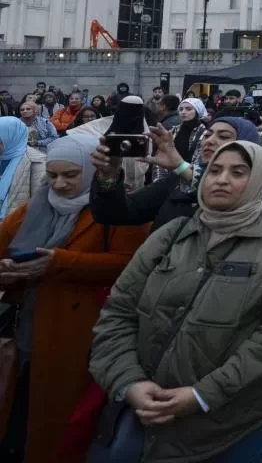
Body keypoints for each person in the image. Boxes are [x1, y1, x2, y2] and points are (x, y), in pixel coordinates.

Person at [89, 140, 262, 462]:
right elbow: (120, 312)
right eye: (214, 170)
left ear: (259, 181)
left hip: (233, 426)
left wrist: (202, 395)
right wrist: (129, 382)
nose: (221, 179)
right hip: (146, 414)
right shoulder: (172, 234)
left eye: (238, 172)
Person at [0, 136, 150, 462]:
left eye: (70, 175)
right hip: (31, 327)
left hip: (86, 330)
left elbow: (131, 264)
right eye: (52, 175)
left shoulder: (117, 210)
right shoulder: (34, 207)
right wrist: (8, 272)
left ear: (90, 170)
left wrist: (61, 262)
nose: (60, 184)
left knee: (69, 415)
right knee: (27, 407)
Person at [90, 117, 262, 232]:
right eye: (207, 135)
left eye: (223, 136)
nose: (209, 141)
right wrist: (109, 177)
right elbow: (116, 214)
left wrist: (182, 168)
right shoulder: (177, 181)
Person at [0, 118, 46, 220]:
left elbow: (38, 204)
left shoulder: (36, 161)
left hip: (14, 223)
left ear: (12, 138)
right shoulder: (2, 156)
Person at [173, 97, 208, 164]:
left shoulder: (204, 133)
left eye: (188, 109)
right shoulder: (175, 129)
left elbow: (199, 161)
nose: (183, 112)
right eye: (181, 109)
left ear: (197, 111)